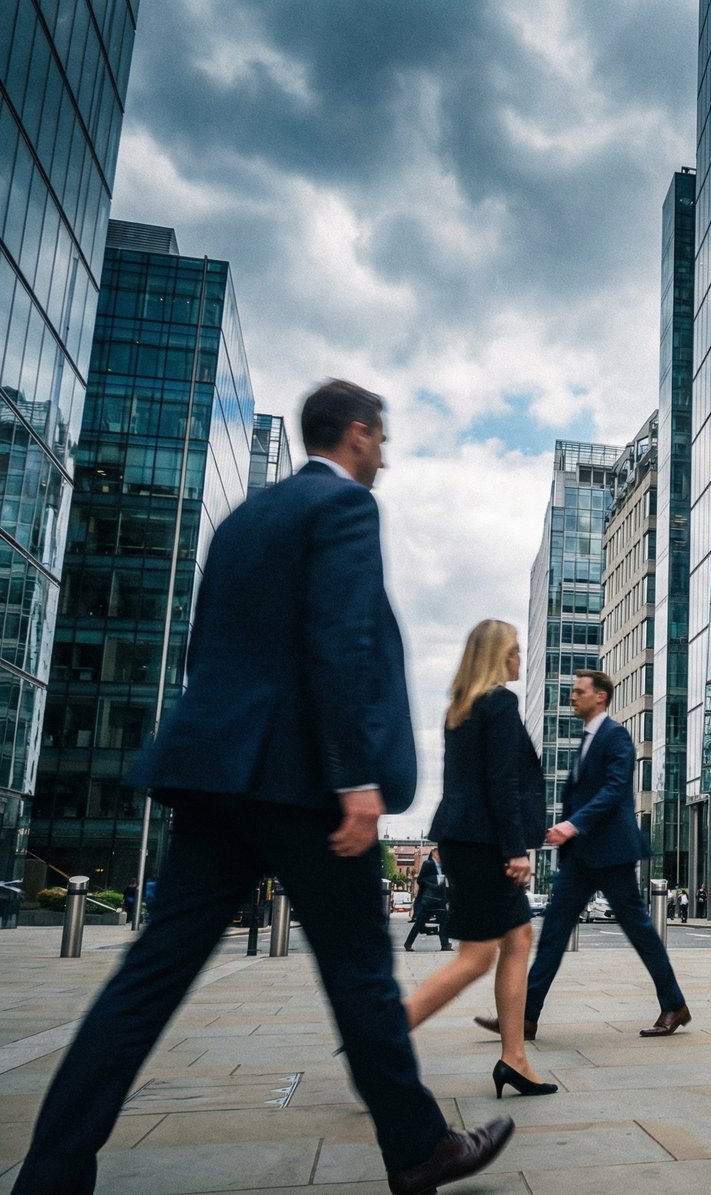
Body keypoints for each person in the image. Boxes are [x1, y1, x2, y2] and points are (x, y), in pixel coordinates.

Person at [13, 381, 511, 1195]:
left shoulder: (243, 518)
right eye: (380, 441)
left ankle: (50, 1169)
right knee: (357, 970)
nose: (383, 456)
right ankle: (420, 1147)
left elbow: (204, 646)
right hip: (304, 785)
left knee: (149, 976)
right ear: (355, 434)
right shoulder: (345, 509)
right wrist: (354, 777)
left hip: (214, 776)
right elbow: (340, 640)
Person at [474, 669, 692, 1041]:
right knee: (553, 934)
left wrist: (572, 825)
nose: (572, 697)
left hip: (611, 854)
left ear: (600, 697)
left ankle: (674, 1004)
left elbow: (614, 791)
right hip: (581, 858)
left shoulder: (616, 737)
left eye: (579, 692)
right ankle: (526, 1017)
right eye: (572, 692)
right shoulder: (588, 738)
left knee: (640, 931)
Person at [399, 619, 555, 1101]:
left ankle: (515, 1058)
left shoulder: (459, 710)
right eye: (513, 651)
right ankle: (381, 1036)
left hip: (462, 838)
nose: (518, 658)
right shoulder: (499, 704)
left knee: (519, 937)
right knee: (476, 957)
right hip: (487, 843)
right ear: (495, 656)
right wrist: (515, 849)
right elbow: (501, 783)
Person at [404, 848, 453, 952]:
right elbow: (421, 880)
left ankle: (445, 944)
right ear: (434, 853)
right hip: (429, 898)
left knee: (444, 922)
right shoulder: (428, 864)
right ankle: (408, 943)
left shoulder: (444, 865)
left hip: (441, 898)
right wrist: (435, 882)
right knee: (420, 922)